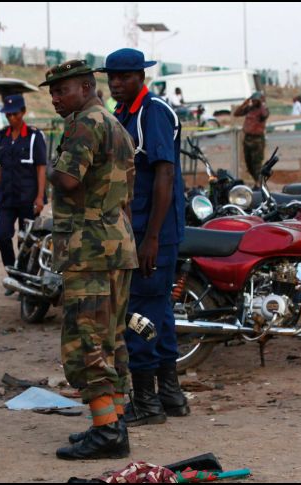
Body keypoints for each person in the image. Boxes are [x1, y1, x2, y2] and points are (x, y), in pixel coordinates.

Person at [40, 59, 138, 460]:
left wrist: (46, 169)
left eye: (61, 91)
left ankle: (107, 430)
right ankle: (112, 422)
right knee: (112, 337)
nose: (55, 98)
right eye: (52, 92)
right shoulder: (115, 124)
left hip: (89, 248)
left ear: (85, 87)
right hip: (115, 243)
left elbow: (68, 179)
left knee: (87, 339)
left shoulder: (85, 123)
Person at [98, 48, 188, 429]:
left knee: (140, 314)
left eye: (124, 77)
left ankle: (148, 402)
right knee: (159, 312)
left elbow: (165, 176)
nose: (116, 84)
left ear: (140, 76)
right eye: (111, 78)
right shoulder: (122, 114)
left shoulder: (153, 111)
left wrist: (151, 238)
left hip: (154, 232)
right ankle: (171, 396)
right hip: (134, 230)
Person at [0, 94, 47, 274]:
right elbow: (1, 168)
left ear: (23, 112)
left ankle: (26, 276)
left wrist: (40, 197)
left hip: (28, 197)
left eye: (15, 114)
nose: (11, 118)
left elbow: (41, 168)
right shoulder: (2, 136)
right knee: (1, 236)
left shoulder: (35, 136)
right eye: (8, 114)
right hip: (7, 197)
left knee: (26, 241)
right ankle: (12, 271)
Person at [233, 91, 270, 187]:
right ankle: (257, 182)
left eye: (256, 100)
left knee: (256, 164)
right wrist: (245, 103)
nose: (254, 102)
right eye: (253, 100)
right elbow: (236, 113)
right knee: (248, 164)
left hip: (257, 140)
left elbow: (265, 115)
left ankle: (260, 183)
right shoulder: (249, 109)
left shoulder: (263, 110)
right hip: (248, 139)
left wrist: (261, 102)